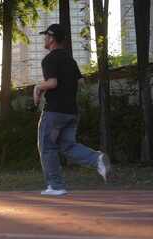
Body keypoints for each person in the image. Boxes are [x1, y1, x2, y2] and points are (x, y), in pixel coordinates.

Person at [34, 24, 111, 196]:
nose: (44, 39)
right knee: (68, 146)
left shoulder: (49, 59)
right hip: (71, 112)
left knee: (47, 147)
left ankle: (55, 186)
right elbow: (81, 82)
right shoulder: (70, 60)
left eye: (46, 35)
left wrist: (38, 88)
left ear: (52, 38)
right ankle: (96, 158)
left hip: (54, 112)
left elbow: (52, 83)